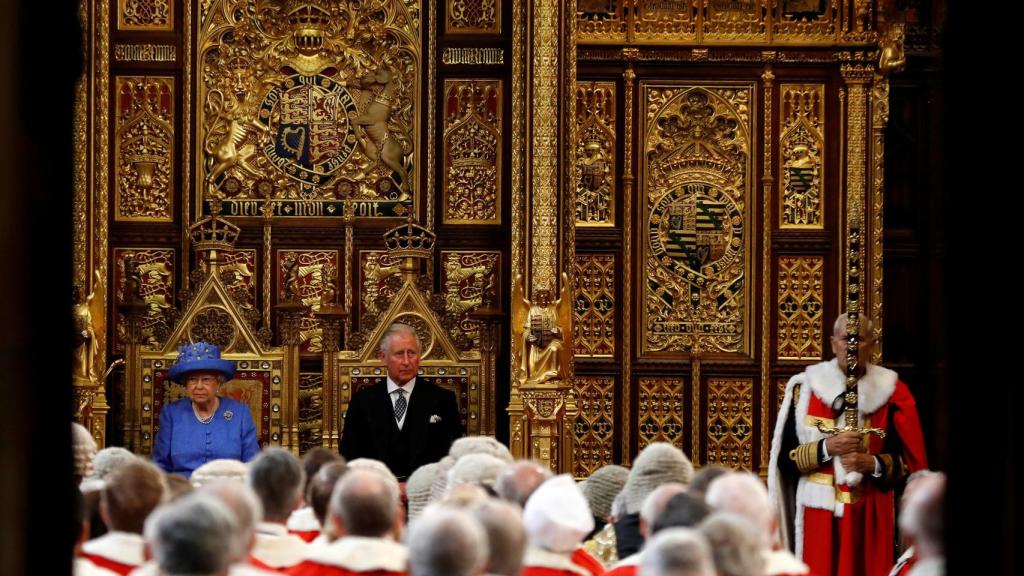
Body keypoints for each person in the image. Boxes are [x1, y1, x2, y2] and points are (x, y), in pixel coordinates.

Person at [768, 313, 929, 576]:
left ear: (872, 345)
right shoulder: (805, 389)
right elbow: (786, 462)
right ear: (833, 343)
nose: (851, 346)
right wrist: (827, 448)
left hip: (871, 514)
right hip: (818, 516)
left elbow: (911, 469)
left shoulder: (892, 393)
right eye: (845, 339)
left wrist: (874, 464)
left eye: (859, 339)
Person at [339, 323, 463, 481]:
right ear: (382, 357)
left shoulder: (443, 400)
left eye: (411, 353)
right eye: (399, 354)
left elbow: (453, 457)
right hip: (377, 493)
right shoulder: (362, 402)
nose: (406, 361)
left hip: (427, 493)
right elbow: (349, 458)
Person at [153, 342, 259, 478]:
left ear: (219, 383)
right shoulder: (172, 413)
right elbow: (160, 465)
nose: (199, 386)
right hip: (185, 491)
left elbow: (252, 463)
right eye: (192, 380)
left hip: (228, 491)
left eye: (206, 380)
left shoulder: (240, 412)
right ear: (185, 384)